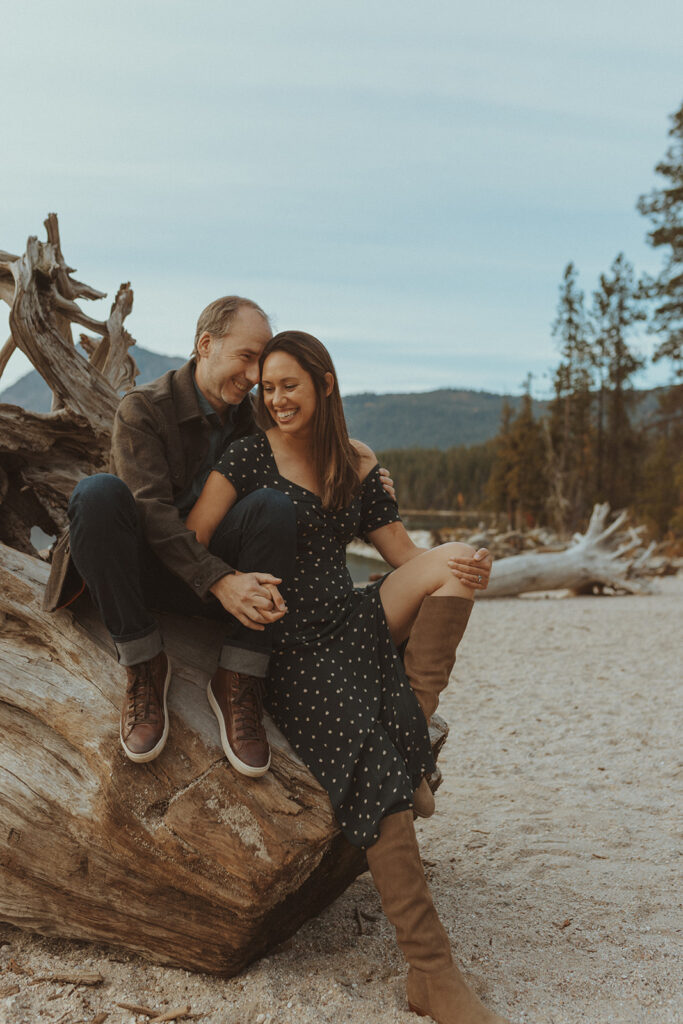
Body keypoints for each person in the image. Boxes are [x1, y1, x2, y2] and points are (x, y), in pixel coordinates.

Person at [186, 331, 507, 1024]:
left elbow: (406, 557)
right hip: (287, 643)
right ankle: (429, 972)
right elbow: (194, 540)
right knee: (375, 778)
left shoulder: (354, 465)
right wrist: (231, 585)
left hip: (353, 616)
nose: (274, 400)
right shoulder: (245, 456)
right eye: (267, 389)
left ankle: (410, 731)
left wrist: (464, 563)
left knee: (453, 563)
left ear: (324, 385)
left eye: (288, 386)